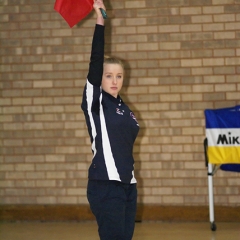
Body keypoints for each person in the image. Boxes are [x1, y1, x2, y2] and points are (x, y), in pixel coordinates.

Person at [81, 1, 140, 239]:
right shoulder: (95, 101)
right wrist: (100, 20)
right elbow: (96, 61)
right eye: (108, 76)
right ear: (100, 79)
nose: (114, 81)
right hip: (105, 185)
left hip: (129, 185)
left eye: (119, 76)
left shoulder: (123, 107)